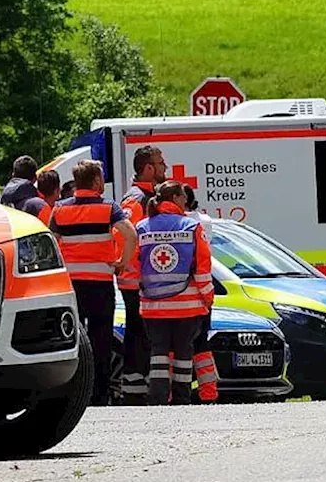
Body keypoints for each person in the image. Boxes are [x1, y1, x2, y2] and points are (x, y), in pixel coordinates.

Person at [49, 159, 138, 406]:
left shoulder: (60, 209)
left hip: (71, 285)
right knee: (101, 340)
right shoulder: (108, 208)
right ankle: (99, 394)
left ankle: (74, 392)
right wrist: (123, 261)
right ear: (97, 180)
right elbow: (130, 234)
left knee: (73, 338)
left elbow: (51, 243)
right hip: (100, 283)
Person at [138, 181, 214, 405]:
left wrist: (138, 295)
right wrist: (208, 298)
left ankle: (159, 397)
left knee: (158, 353)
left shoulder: (142, 227)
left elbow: (135, 266)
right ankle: (181, 398)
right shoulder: (191, 227)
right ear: (176, 199)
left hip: (153, 307)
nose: (185, 201)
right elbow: (202, 267)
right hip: (187, 306)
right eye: (182, 197)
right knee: (183, 353)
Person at [114, 146, 167, 404]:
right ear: (148, 168)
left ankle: (138, 384)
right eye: (160, 163)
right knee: (139, 333)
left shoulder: (149, 196)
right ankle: (133, 388)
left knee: (144, 334)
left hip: (143, 280)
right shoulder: (135, 200)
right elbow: (123, 235)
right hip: (136, 280)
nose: (165, 167)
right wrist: (140, 267)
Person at [183, 183, 219, 403]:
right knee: (201, 344)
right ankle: (209, 392)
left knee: (174, 346)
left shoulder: (187, 224)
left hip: (178, 295)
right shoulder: (203, 222)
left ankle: (176, 392)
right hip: (201, 292)